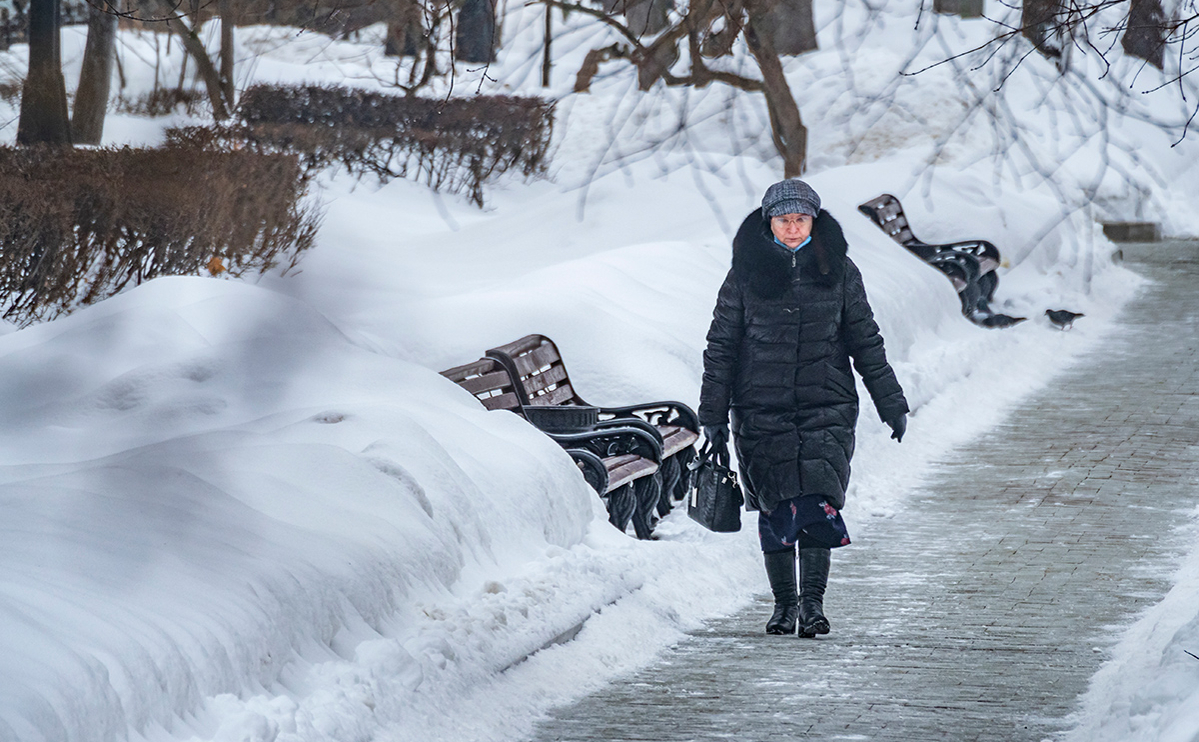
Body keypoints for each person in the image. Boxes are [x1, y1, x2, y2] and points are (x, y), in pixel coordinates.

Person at [699, 179, 908, 637]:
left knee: (817, 504)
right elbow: (721, 347)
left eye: (800, 220)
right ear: (767, 221)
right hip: (759, 408)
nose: (792, 229)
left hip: (826, 405)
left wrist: (890, 402)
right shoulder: (745, 273)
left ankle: (813, 606)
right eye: (783, 220)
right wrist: (712, 415)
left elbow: (864, 340)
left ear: (813, 220)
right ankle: (783, 607)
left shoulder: (838, 270)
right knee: (776, 507)